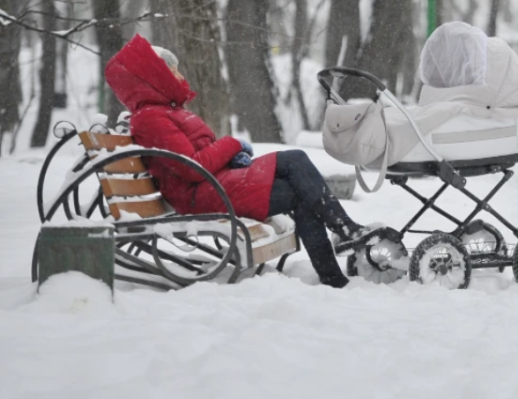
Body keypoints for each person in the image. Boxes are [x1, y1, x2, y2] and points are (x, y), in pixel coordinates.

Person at [104, 34, 385, 288]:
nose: (180, 75)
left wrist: (232, 156)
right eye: (172, 70)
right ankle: (344, 235)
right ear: (154, 76)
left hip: (213, 184)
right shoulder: (151, 118)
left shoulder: (165, 112)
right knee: (296, 170)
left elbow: (197, 157)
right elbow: (193, 167)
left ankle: (336, 267)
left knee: (297, 179)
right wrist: (233, 144)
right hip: (200, 195)